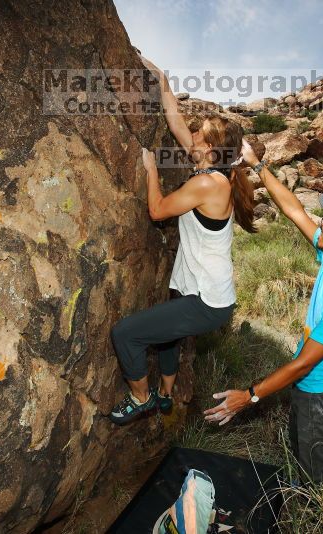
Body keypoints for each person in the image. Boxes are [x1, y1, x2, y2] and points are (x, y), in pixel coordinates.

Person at [204, 140, 323, 485]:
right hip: (306, 389)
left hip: (321, 396)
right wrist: (257, 166)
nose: (321, 222)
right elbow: (294, 210)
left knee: (319, 476)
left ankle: (322, 519)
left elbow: (304, 363)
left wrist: (250, 396)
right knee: (302, 460)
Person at [108, 58, 257, 425]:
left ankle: (141, 398)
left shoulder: (208, 182)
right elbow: (175, 119)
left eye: (199, 134)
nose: (191, 136)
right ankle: (166, 396)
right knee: (168, 336)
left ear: (209, 148)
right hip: (202, 292)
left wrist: (152, 171)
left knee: (126, 333)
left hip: (208, 302)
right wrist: (162, 79)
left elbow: (158, 211)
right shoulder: (211, 169)